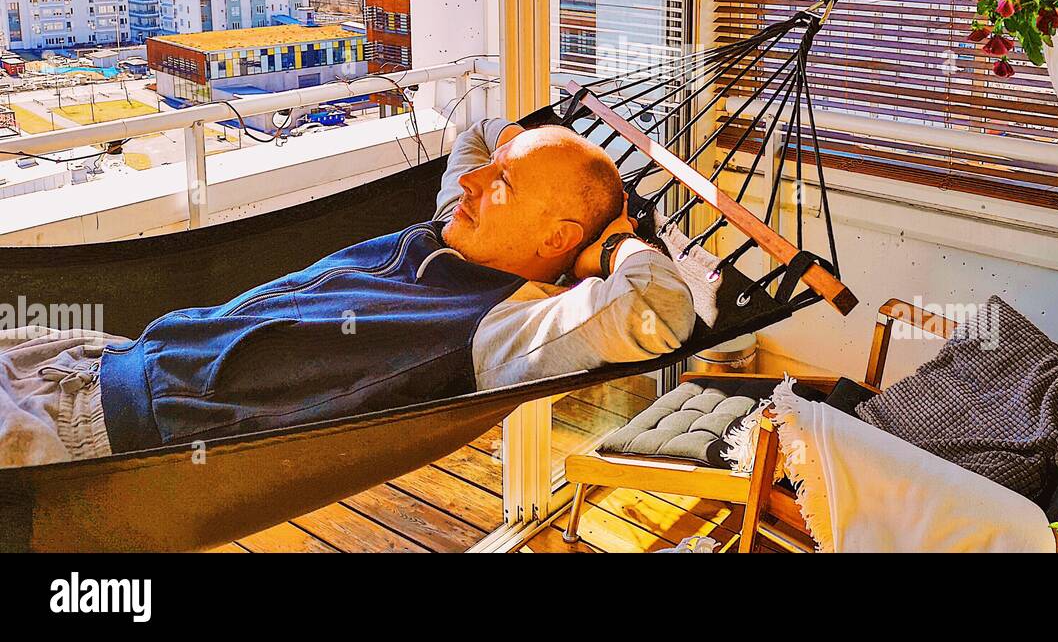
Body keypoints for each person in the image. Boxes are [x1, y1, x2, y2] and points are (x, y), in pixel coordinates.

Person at [0, 119, 696, 465]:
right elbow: (481, 138)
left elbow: (659, 308)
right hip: (83, 357)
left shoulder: (502, 327)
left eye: (501, 185)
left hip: (91, 432)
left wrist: (613, 243)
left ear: (556, 239)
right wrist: (522, 155)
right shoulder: (453, 227)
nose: (473, 184)